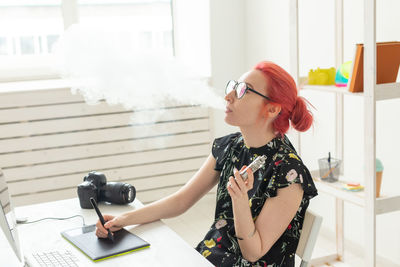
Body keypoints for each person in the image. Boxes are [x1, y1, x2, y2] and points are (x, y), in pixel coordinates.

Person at [95, 61, 318, 266]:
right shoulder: (231, 147)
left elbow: (253, 253)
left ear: (272, 109)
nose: (228, 96)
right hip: (207, 259)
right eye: (234, 86)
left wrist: (240, 202)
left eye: (243, 91)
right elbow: (181, 201)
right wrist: (123, 220)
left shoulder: (289, 172)